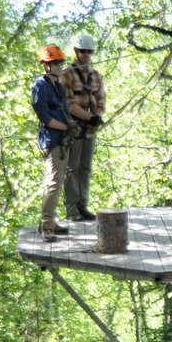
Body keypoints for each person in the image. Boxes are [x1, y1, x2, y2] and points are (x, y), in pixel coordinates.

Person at [62, 32, 105, 221]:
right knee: (72, 168)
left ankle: (82, 206)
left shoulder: (96, 76)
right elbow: (69, 103)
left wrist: (97, 115)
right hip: (73, 127)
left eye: (89, 51)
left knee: (85, 167)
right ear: (76, 51)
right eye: (82, 51)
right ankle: (71, 210)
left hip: (89, 129)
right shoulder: (67, 74)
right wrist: (89, 117)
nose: (86, 55)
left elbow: (102, 98)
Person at [31, 45, 72, 241]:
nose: (59, 66)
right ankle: (47, 226)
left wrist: (71, 125)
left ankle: (49, 221)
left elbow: (62, 111)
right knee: (54, 183)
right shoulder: (40, 86)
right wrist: (65, 128)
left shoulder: (58, 87)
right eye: (55, 63)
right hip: (51, 139)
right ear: (46, 66)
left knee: (57, 181)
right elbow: (45, 117)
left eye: (60, 63)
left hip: (62, 138)